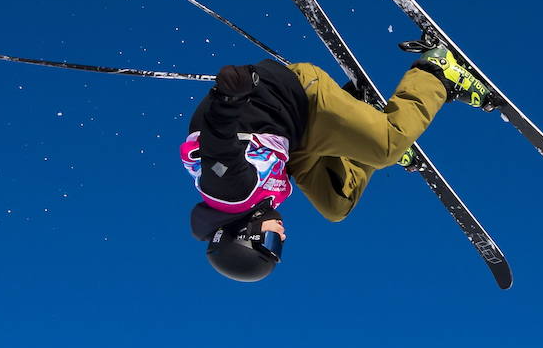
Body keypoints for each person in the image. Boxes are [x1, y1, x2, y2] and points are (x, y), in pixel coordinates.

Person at [180, 47, 491, 282]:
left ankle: (436, 72)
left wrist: (229, 98)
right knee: (335, 206)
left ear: (245, 234)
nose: (283, 236)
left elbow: (217, 142)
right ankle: (361, 131)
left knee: (387, 146)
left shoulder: (230, 192)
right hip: (295, 137)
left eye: (272, 240)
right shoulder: (252, 203)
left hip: (297, 96)